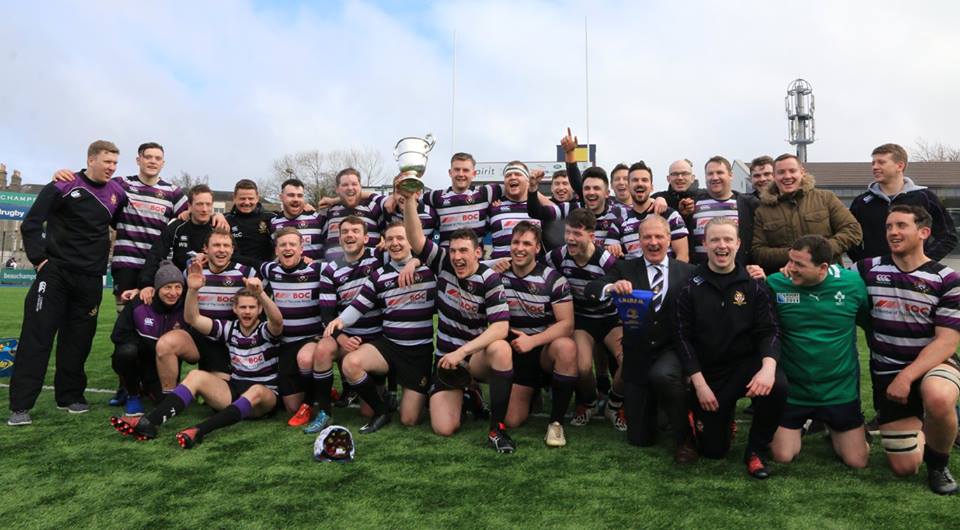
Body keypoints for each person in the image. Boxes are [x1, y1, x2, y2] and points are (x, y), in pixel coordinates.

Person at [8, 140, 128, 426]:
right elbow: (31, 224)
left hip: (90, 280)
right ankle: (20, 406)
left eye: (115, 163)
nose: (111, 167)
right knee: (37, 338)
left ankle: (70, 396)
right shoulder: (64, 185)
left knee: (78, 341)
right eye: (107, 161)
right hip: (56, 275)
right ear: (91, 159)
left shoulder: (116, 194)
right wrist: (39, 260)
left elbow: (129, 223)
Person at [110, 262, 283, 449]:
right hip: (234, 390)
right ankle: (149, 423)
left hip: (264, 397)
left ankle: (199, 430)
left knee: (256, 390)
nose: (247, 311)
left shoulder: (265, 330)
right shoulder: (229, 328)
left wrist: (261, 294)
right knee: (195, 376)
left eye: (251, 307)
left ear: (259, 310)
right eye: (242, 307)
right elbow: (193, 319)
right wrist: (192, 290)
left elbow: (277, 320)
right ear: (235, 309)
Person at [401, 188, 517, 453]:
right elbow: (416, 240)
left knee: (501, 348)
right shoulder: (444, 264)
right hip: (446, 360)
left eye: (463, 251)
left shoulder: (489, 279)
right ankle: (469, 396)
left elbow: (500, 327)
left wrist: (462, 352)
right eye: (453, 250)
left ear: (479, 253)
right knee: (444, 428)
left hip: (472, 358)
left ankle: (496, 429)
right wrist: (409, 201)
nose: (457, 256)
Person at [857, 205, 960, 494]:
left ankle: (939, 466)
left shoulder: (947, 279)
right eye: (889, 226)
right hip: (886, 371)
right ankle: (933, 428)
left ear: (924, 232)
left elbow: (947, 341)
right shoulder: (868, 268)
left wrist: (906, 377)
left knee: (938, 397)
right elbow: (828, 277)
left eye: (901, 225)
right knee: (904, 467)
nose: (893, 232)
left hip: (934, 364)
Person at [676, 217, 788, 479]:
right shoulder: (689, 287)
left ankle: (756, 451)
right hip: (709, 374)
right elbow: (682, 338)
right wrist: (699, 384)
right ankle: (711, 420)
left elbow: (769, 330)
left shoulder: (755, 284)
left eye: (728, 239)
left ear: (738, 244)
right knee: (713, 451)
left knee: (778, 385)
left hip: (745, 366)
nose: (721, 245)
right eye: (715, 239)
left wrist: (768, 369)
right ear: (704, 244)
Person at [748, 235, 870, 468]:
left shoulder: (852, 284)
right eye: (790, 261)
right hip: (795, 391)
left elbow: (868, 322)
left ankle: (833, 426)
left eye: (799, 265)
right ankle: (804, 424)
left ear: (823, 267)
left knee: (857, 461)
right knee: (782, 455)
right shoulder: (776, 284)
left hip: (838, 390)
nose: (791, 268)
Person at [587, 215, 698, 460]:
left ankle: (685, 437)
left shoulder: (689, 272)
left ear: (669, 239)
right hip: (638, 358)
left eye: (659, 236)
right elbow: (592, 290)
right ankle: (663, 411)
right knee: (640, 439)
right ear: (638, 241)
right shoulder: (625, 268)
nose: (653, 242)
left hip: (673, 350)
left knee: (663, 375)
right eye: (647, 237)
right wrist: (611, 288)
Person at [324, 221, 437, 433]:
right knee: (351, 363)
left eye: (400, 238)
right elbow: (358, 306)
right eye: (390, 239)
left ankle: (429, 391)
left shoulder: (431, 270)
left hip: (418, 352)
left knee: (409, 419)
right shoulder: (378, 276)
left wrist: (415, 262)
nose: (395, 243)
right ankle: (381, 410)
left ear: (411, 242)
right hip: (389, 346)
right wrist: (339, 321)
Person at [494, 222, 577, 446]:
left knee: (567, 346)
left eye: (527, 243)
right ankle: (532, 395)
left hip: (543, 350)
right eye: (516, 242)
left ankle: (556, 424)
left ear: (537, 248)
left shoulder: (553, 279)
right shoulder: (497, 274)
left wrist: (534, 340)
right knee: (511, 420)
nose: (520, 248)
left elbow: (567, 324)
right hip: (515, 352)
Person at [300, 216, 384, 432]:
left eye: (355, 231)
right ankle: (324, 412)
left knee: (367, 411)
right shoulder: (330, 269)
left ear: (366, 237)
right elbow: (327, 314)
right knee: (323, 349)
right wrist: (342, 338)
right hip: (344, 333)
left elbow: (408, 254)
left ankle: (377, 392)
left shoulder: (379, 257)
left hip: (375, 336)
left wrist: (412, 262)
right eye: (345, 231)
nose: (349, 235)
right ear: (339, 238)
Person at [151, 228, 255, 392]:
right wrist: (146, 289)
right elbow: (176, 297)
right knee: (166, 344)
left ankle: (208, 379)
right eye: (216, 245)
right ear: (205, 249)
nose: (221, 250)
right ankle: (167, 395)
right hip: (197, 338)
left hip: (228, 342)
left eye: (226, 246)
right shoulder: (193, 271)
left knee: (220, 398)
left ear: (232, 250)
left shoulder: (247, 273)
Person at [545, 209, 622, 427]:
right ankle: (588, 402)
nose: (570, 238)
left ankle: (615, 405)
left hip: (610, 319)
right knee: (583, 367)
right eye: (568, 232)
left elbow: (622, 282)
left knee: (631, 358)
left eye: (577, 234)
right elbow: (541, 273)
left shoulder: (606, 261)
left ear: (591, 236)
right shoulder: (558, 256)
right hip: (582, 320)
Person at [752, 154, 862, 275]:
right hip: (786, 282)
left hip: (827, 278)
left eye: (792, 171)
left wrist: (820, 252)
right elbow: (758, 252)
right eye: (781, 172)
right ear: (774, 176)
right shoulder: (763, 210)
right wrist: (794, 255)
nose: (787, 176)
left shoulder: (825, 198)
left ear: (802, 172)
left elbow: (853, 230)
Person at [848, 143, 958, 262]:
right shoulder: (861, 202)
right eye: (873, 163)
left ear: (900, 166)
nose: (875, 167)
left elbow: (948, 236)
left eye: (881, 162)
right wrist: (864, 263)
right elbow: (849, 237)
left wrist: (923, 262)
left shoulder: (925, 197)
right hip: (872, 276)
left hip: (913, 277)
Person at [259, 227, 324, 420]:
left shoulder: (318, 269)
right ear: (277, 250)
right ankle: (322, 392)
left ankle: (314, 400)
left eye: (292, 244)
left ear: (301, 249)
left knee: (305, 360)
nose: (288, 248)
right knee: (290, 407)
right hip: (285, 342)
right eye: (283, 245)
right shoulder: (269, 269)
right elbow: (244, 263)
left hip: (311, 339)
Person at [110, 261, 186, 417]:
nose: (173, 293)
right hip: (140, 357)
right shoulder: (140, 302)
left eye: (178, 287)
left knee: (162, 400)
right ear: (157, 288)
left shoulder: (185, 307)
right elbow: (118, 335)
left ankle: (146, 387)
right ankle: (132, 393)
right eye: (167, 287)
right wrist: (150, 346)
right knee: (127, 352)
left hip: (163, 364)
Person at [137, 184, 216, 290]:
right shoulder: (176, 227)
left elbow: (234, 257)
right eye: (199, 204)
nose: (204, 209)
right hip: (180, 288)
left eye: (208, 204)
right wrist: (146, 285)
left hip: (213, 285)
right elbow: (156, 255)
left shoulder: (219, 227)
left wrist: (210, 258)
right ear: (190, 206)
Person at [611, 161, 689, 262]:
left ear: (652, 187)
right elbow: (612, 257)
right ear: (629, 186)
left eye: (644, 180)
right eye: (635, 180)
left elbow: (683, 256)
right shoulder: (619, 223)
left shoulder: (670, 216)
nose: (640, 184)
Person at [687, 156, 757, 265]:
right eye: (710, 174)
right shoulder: (692, 204)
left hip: (737, 273)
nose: (715, 177)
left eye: (720, 172)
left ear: (730, 175)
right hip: (700, 273)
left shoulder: (748, 204)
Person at [420, 152, 501, 247]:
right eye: (457, 170)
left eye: (465, 170)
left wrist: (500, 204)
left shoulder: (486, 193)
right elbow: (412, 202)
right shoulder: (435, 196)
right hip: (445, 258)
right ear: (450, 172)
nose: (461, 174)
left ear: (474, 174)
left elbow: (514, 190)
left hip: (475, 259)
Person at [487, 162, 558, 260]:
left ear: (527, 180)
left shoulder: (540, 208)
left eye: (518, 174)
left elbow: (559, 215)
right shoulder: (494, 206)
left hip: (534, 270)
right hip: (500, 271)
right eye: (508, 175)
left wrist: (532, 189)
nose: (512, 177)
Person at [319, 168, 386, 261]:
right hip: (334, 272)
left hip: (367, 270)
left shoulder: (372, 207)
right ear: (337, 189)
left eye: (354, 184)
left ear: (360, 187)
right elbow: (318, 239)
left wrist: (387, 241)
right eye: (345, 185)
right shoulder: (330, 210)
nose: (350, 188)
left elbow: (391, 232)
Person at [270, 178, 326, 261]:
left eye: (300, 196)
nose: (296, 199)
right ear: (281, 197)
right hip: (287, 273)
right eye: (291, 195)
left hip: (315, 273)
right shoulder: (273, 222)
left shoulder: (318, 219)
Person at [226, 179, 276, 268]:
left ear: (257, 198)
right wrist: (216, 215)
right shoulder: (225, 220)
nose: (246, 202)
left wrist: (307, 210)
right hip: (234, 275)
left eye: (250, 198)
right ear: (234, 198)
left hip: (262, 274)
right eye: (242, 198)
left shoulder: (271, 218)